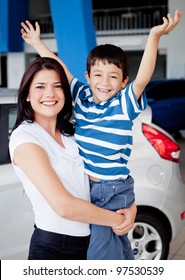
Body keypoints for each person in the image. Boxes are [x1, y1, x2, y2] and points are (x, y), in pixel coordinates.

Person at [20, 10, 181, 260]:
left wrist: (154, 37)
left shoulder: (123, 104)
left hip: (110, 189)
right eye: (98, 75)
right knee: (117, 249)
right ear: (88, 77)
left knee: (100, 257)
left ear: (123, 81)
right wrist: (38, 44)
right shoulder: (82, 97)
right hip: (95, 190)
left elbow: (144, 76)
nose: (104, 82)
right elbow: (61, 69)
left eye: (113, 76)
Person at [9, 57, 137, 260]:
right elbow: (64, 206)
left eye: (57, 86)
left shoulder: (72, 133)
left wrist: (130, 207)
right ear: (26, 95)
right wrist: (118, 219)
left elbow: (103, 175)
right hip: (55, 249)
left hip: (89, 242)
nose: (50, 94)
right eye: (40, 87)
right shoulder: (25, 138)